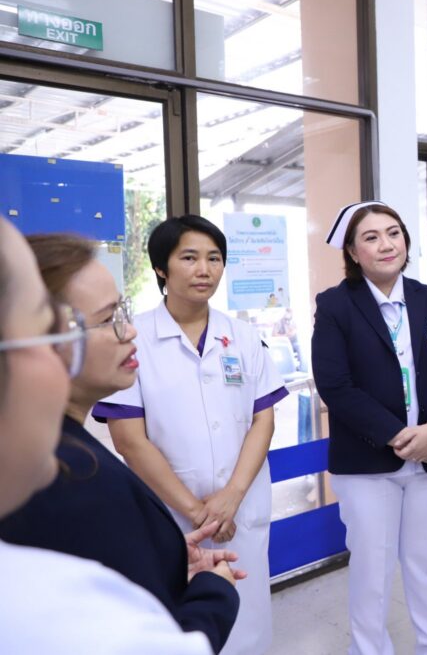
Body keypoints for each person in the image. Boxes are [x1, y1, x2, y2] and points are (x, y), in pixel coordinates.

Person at [0, 233, 241, 652]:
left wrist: (162, 557)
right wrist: (214, 591)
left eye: (123, 311)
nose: (128, 330)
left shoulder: (69, 451)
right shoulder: (63, 476)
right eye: (107, 317)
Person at [96, 215, 287, 655]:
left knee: (249, 623)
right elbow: (130, 441)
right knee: (183, 627)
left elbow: (263, 420)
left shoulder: (243, 336)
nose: (204, 269)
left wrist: (232, 496)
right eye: (189, 258)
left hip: (241, 510)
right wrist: (199, 513)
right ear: (161, 268)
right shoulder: (133, 338)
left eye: (214, 258)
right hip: (173, 517)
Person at [312, 201, 427, 655]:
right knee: (373, 572)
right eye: (371, 237)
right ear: (352, 252)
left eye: (394, 233)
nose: (386, 244)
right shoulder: (336, 305)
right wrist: (401, 437)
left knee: (426, 565)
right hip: (367, 464)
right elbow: (335, 386)